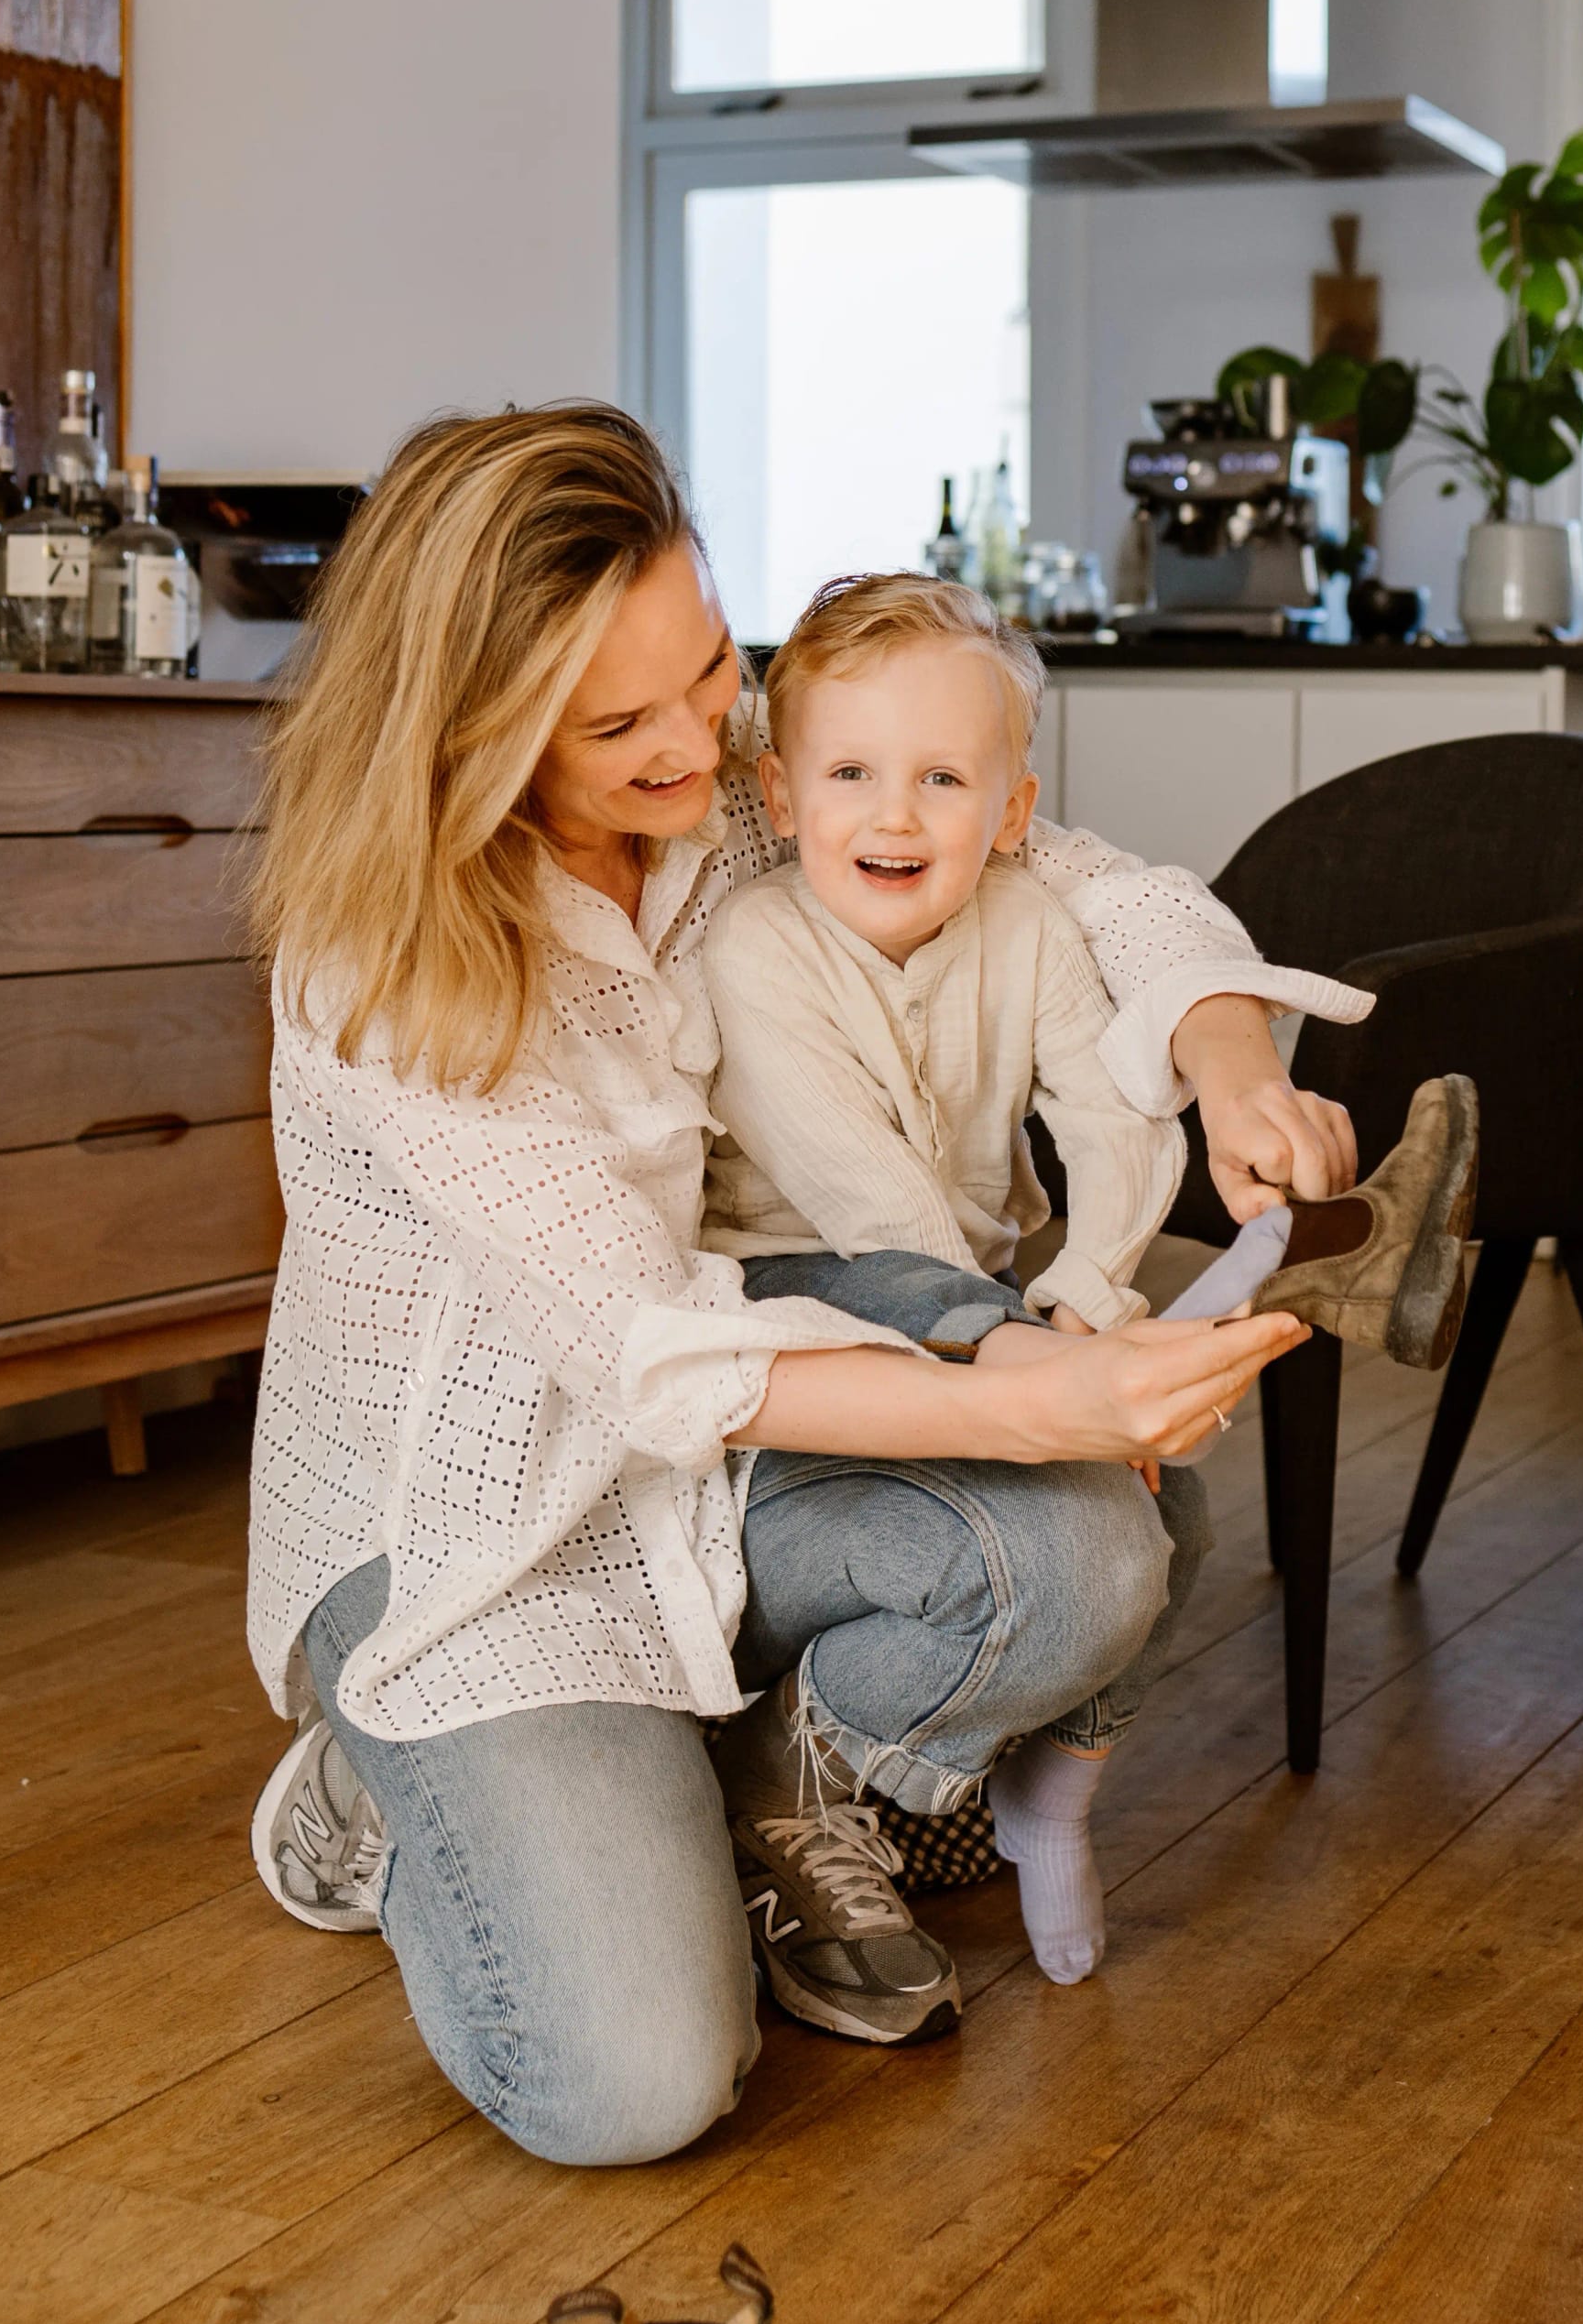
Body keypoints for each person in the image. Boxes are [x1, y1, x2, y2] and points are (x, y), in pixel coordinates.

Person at [243, 406, 1361, 2166]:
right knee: (635, 2082)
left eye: (713, 664)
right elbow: (651, 1350)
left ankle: (750, 1781)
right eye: (619, 725)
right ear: (468, 743)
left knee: (1090, 1547)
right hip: (466, 1547)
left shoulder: (734, 779)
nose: (703, 736)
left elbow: (1081, 878)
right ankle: (386, 1790)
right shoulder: (387, 973)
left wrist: (1228, 1064)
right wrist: (1017, 1397)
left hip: (708, 1481)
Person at [697, 568, 1479, 1985]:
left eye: (943, 778)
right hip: (808, 1314)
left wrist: (1091, 1302)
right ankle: (787, 1772)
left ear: (1010, 812)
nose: (893, 814)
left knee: (1173, 1515)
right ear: (778, 789)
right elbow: (874, 1220)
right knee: (967, 1344)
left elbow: (1115, 1126)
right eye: (853, 773)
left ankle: (1049, 1799)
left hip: (984, 1319)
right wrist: (1047, 1377)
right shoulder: (755, 949)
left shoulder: (1033, 923)